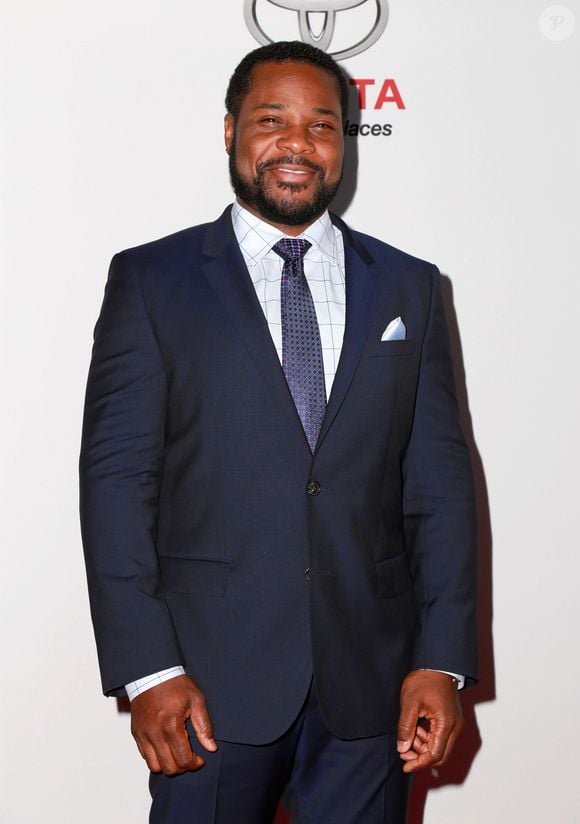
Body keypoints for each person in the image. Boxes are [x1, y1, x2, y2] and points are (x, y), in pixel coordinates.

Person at [80, 40, 477, 824]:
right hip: (205, 691)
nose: (297, 144)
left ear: (344, 142)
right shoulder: (152, 281)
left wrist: (441, 660)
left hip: (371, 694)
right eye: (272, 120)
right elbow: (117, 486)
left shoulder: (409, 286)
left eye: (322, 126)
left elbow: (440, 488)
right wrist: (148, 671)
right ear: (230, 131)